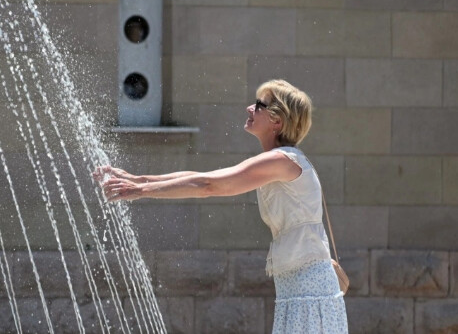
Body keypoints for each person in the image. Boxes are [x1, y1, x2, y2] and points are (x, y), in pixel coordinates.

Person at [94, 79, 348, 333]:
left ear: (277, 121)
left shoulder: (282, 161)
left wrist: (141, 190)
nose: (249, 108)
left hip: (310, 297)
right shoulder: (281, 161)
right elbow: (205, 177)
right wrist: (138, 180)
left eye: (259, 105)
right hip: (299, 294)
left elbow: (208, 185)